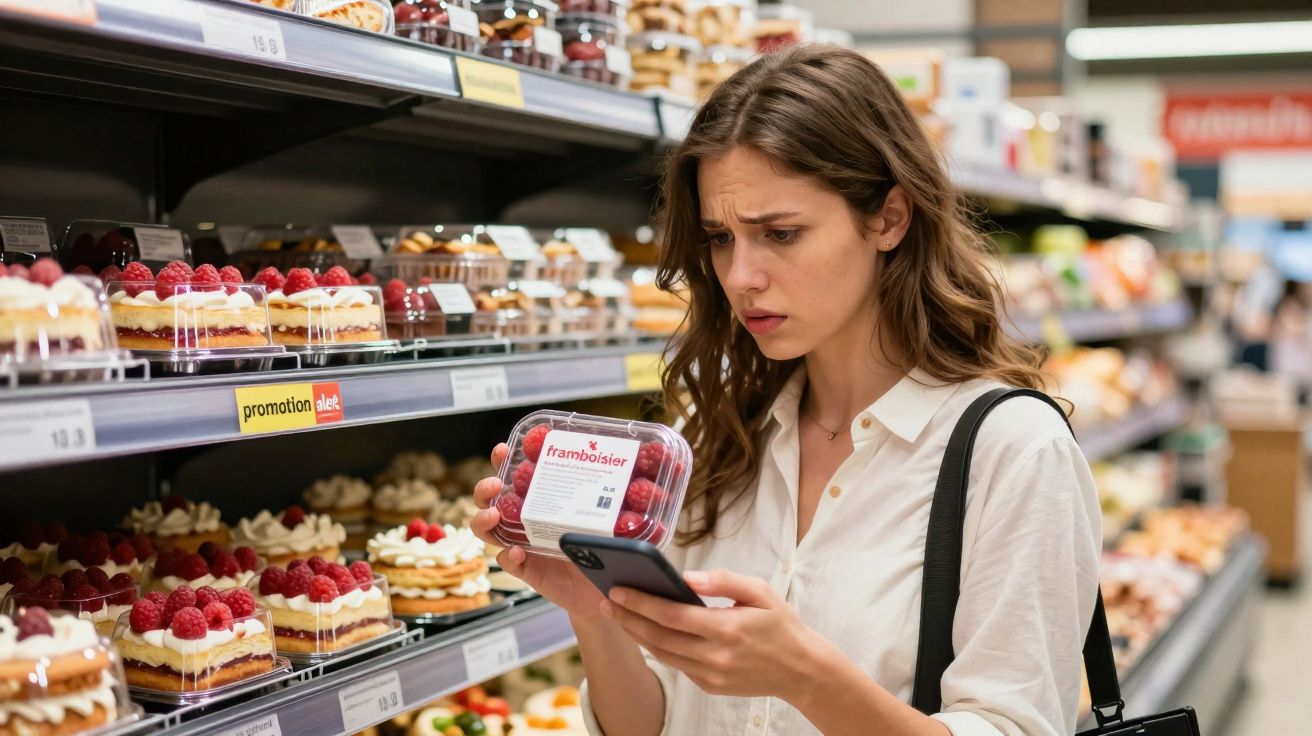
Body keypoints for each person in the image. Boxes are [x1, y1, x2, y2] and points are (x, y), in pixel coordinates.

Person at [472, 45, 1100, 736]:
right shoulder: (718, 434)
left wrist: (804, 676)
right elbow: (655, 725)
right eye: (719, 237)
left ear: (889, 218)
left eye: (781, 234)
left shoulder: (1012, 452)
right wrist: (593, 612)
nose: (740, 276)